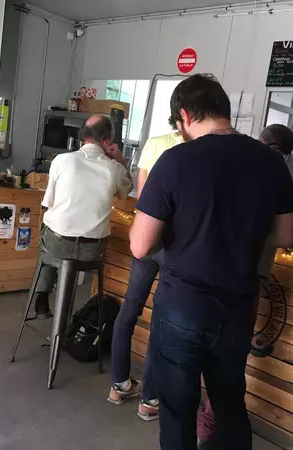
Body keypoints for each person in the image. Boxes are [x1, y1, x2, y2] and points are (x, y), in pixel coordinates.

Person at [129, 74, 293, 449]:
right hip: (238, 306)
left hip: (182, 304)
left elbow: (140, 246)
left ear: (185, 116)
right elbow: (286, 236)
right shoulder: (271, 161)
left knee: (177, 410)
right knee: (229, 405)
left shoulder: (175, 160)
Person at [196, 124, 293, 449]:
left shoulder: (236, 157)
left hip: (209, 264)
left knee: (199, 342)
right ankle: (213, 422)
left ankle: (202, 421)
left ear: (262, 141)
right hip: (253, 271)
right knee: (232, 351)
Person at [107, 130, 183, 422]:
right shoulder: (197, 147)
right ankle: (150, 400)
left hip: (146, 234)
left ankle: (119, 385)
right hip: (174, 244)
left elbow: (141, 195)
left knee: (129, 308)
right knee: (161, 320)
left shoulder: (155, 143)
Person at [33, 115, 132, 318]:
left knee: (49, 233)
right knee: (59, 234)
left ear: (83, 136)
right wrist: (120, 160)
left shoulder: (62, 161)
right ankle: (78, 314)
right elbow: (126, 191)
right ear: (107, 141)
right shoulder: (114, 168)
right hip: (92, 250)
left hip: (58, 244)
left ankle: (42, 298)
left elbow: (48, 204)